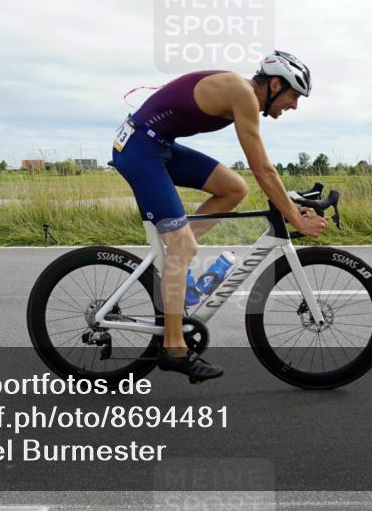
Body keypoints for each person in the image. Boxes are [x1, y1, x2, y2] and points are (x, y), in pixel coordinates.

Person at [111, 51, 327, 381]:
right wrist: (296, 220)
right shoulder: (243, 94)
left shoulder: (242, 91)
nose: (293, 105)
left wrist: (290, 205)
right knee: (183, 249)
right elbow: (263, 169)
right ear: (273, 85)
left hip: (158, 145)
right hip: (141, 149)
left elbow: (260, 175)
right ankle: (174, 349)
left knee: (234, 189)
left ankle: (175, 255)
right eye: (293, 96)